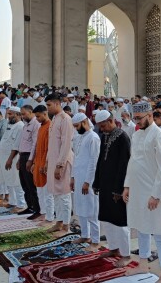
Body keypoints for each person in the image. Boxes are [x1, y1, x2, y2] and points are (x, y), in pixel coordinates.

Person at [123, 102, 161, 282]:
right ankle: (143, 264)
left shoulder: (159, 136)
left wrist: (156, 195)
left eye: (139, 118)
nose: (136, 122)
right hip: (137, 190)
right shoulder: (136, 135)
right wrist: (127, 186)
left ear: (150, 115)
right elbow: (132, 162)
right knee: (141, 228)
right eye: (134, 118)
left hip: (154, 192)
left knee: (160, 232)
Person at [93, 110, 132, 267]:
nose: (101, 129)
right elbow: (100, 161)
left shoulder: (123, 138)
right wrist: (97, 182)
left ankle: (126, 254)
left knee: (120, 221)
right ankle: (114, 248)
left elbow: (125, 165)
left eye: (103, 126)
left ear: (111, 121)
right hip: (105, 184)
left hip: (117, 186)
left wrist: (119, 189)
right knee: (107, 219)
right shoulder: (105, 137)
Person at [70, 112, 101, 249]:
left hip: (89, 180)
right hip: (78, 177)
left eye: (77, 126)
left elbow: (94, 162)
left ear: (84, 122)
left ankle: (95, 240)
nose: (76, 129)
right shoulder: (79, 137)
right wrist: (72, 178)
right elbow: (75, 159)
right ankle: (85, 235)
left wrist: (88, 181)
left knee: (92, 209)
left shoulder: (93, 138)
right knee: (81, 208)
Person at [45, 94, 74, 234]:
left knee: (64, 193)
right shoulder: (55, 119)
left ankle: (67, 224)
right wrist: (47, 161)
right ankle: (59, 221)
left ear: (57, 104)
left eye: (49, 105)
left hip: (62, 163)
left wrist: (60, 165)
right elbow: (52, 144)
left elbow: (66, 144)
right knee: (55, 193)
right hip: (53, 161)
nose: (47, 108)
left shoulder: (65, 119)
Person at [0, 107, 27, 213]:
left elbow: (17, 145)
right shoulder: (9, 125)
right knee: (8, 180)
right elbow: (4, 141)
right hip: (4, 158)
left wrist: (10, 159)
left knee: (16, 181)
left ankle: (21, 204)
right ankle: (13, 201)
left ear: (18, 114)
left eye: (10, 114)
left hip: (13, 159)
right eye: (8, 114)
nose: (8, 116)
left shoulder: (20, 126)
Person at [18, 105, 42, 219]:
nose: (22, 116)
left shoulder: (36, 124)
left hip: (29, 157)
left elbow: (34, 144)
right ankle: (30, 206)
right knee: (24, 184)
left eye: (24, 114)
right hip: (23, 156)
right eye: (21, 114)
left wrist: (30, 160)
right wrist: (19, 159)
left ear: (30, 112)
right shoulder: (25, 125)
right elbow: (22, 144)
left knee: (31, 185)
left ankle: (37, 209)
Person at [32, 104, 54, 223]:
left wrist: (46, 164)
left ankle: (50, 217)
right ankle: (43, 213)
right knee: (40, 191)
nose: (37, 119)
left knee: (47, 193)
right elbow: (38, 148)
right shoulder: (41, 127)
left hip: (46, 164)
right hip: (38, 162)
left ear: (45, 114)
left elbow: (49, 148)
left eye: (38, 116)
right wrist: (35, 162)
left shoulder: (50, 127)